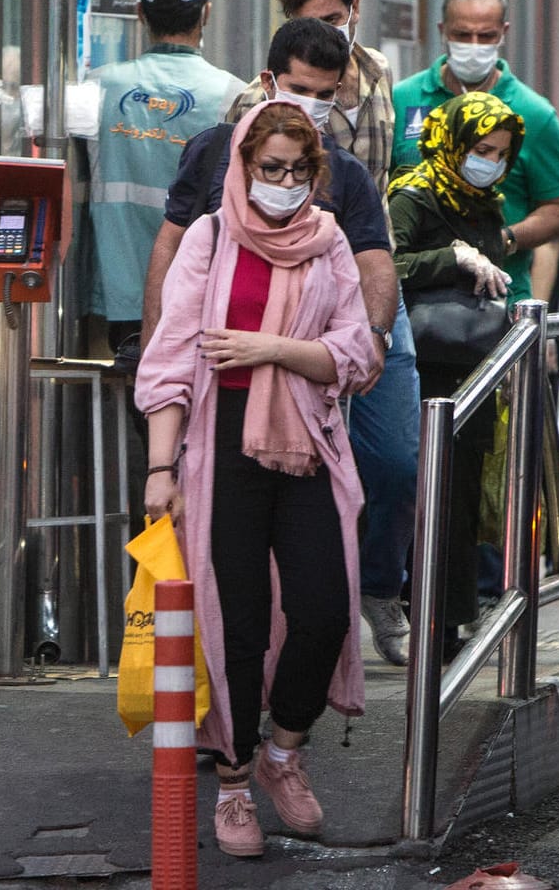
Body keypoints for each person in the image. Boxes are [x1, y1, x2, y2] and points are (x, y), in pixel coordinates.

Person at [138, 99, 381, 859]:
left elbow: (357, 354)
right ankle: (237, 782)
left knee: (325, 609)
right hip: (220, 453)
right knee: (235, 627)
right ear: (242, 167)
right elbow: (173, 359)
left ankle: (284, 749)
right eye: (269, 169)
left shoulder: (329, 240)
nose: (283, 184)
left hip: (307, 446)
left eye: (298, 171)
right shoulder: (210, 238)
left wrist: (268, 347)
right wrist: (159, 467)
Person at [143, 17, 414, 664]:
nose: (309, 106)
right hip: (216, 405)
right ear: (267, 81)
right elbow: (174, 245)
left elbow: (372, 260)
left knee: (317, 581)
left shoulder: (340, 177)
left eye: (324, 95)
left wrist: (371, 337)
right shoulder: (215, 152)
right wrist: (160, 353)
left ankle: (282, 725)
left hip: (303, 410)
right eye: (297, 88)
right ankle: (229, 734)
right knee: (225, 586)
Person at [223, 0, 419, 665]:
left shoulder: (377, 81)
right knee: (290, 461)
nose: (326, 35)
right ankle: (294, 628)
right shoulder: (252, 104)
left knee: (397, 455)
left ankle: (379, 584)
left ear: (355, 12)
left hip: (366, 275)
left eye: (335, 20)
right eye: (310, 23)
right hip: (288, 290)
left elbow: (379, 187)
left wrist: (372, 315)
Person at [387, 93, 525, 658]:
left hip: (474, 367)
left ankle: (450, 624)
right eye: (480, 149)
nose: (489, 161)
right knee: (427, 498)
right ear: (453, 142)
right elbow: (380, 265)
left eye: (499, 153)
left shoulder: (486, 203)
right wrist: (453, 258)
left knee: (464, 498)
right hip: (420, 370)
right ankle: (421, 617)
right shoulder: (411, 195)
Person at [86, 0, 246, 359]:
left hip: (114, 295)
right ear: (206, 13)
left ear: (140, 12)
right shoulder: (234, 96)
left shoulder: (98, 87)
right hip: (198, 291)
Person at [390, 0, 559, 306]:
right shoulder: (403, 98)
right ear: (442, 30)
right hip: (414, 299)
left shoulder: (534, 113)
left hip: (500, 298)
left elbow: (557, 209)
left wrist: (500, 241)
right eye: (462, 35)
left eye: (486, 36)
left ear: (503, 32)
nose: (473, 45)